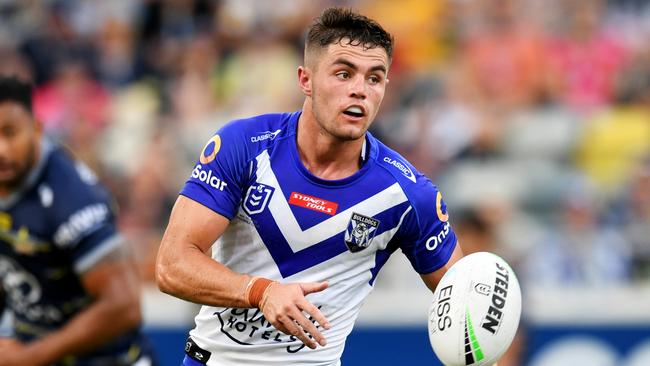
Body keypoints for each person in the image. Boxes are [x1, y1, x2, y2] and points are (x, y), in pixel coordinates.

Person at [156, 7, 463, 366]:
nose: (359, 91)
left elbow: (464, 298)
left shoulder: (409, 194)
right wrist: (260, 292)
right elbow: (171, 264)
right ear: (306, 80)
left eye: (374, 78)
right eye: (344, 74)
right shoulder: (245, 146)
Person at [0, 76, 155, 365]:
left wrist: (31, 356)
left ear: (36, 129)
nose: (2, 150)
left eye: (10, 133)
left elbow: (124, 306)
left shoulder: (70, 198)